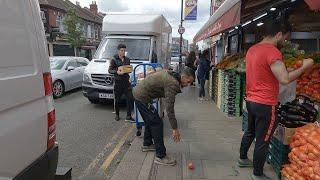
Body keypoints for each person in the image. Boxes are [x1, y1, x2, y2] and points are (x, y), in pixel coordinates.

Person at [238, 19, 314, 180]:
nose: (284, 41)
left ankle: (242, 158)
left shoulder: (252, 49)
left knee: (250, 131)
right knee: (263, 140)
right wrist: (303, 68)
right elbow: (285, 79)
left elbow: (265, 71)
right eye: (285, 38)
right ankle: (257, 174)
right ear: (278, 34)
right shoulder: (272, 51)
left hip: (251, 100)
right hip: (265, 103)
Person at [133, 67, 195, 166]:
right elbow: (169, 108)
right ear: (183, 77)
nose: (188, 85)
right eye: (188, 81)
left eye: (190, 83)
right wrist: (174, 128)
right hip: (142, 97)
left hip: (140, 95)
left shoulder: (172, 74)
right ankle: (160, 156)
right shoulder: (173, 84)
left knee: (151, 120)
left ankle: (147, 144)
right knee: (157, 123)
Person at [108, 44, 134, 122]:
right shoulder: (114, 59)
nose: (123, 52)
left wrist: (129, 69)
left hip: (126, 81)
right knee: (117, 100)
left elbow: (128, 69)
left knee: (130, 98)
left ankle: (128, 116)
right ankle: (117, 115)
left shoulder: (127, 59)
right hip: (118, 82)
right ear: (118, 50)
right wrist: (116, 71)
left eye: (124, 51)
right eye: (121, 50)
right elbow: (109, 70)